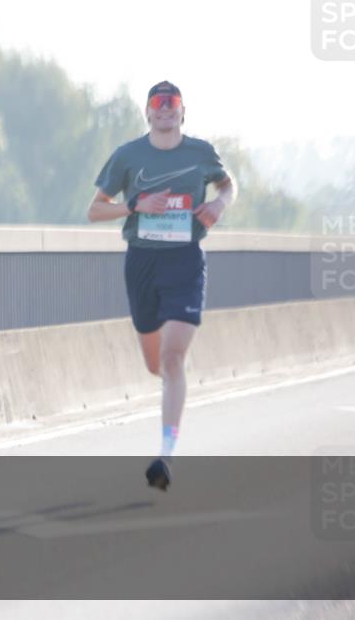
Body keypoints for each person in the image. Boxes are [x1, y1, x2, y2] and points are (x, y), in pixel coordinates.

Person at [87, 81, 237, 490]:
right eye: (158, 103)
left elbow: (228, 184)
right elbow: (94, 210)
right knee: (155, 364)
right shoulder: (128, 155)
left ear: (183, 111)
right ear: (148, 112)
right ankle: (173, 383)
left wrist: (219, 203)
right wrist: (134, 205)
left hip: (185, 260)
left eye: (173, 103)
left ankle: (166, 455)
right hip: (142, 263)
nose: (166, 109)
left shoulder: (201, 153)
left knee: (172, 359)